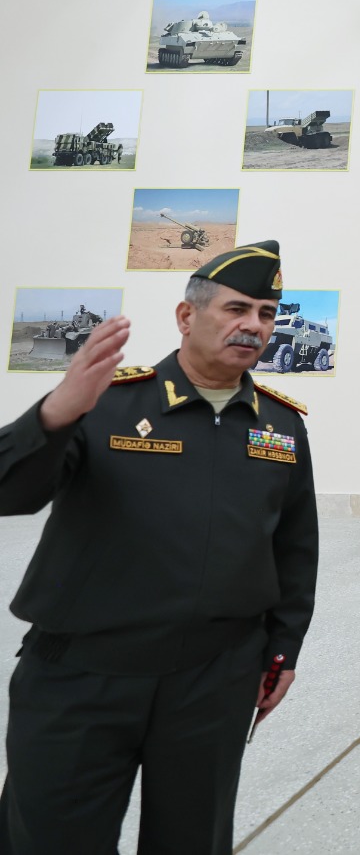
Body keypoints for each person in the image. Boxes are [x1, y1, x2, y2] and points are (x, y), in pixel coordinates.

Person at [0, 240, 319, 855]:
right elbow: (11, 492)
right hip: (83, 674)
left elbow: (295, 547)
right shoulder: (107, 402)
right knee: (52, 837)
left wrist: (283, 649)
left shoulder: (281, 424)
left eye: (266, 313)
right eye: (236, 309)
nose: (254, 325)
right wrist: (54, 414)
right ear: (186, 316)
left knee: (192, 840)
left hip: (214, 679)